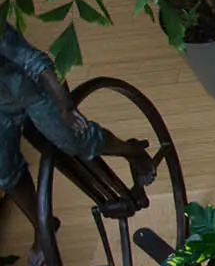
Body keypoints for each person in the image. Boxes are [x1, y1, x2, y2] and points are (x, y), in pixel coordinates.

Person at [1, 23, 152, 194]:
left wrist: (65, 107)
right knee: (3, 168)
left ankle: (131, 150)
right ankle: (42, 221)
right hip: (3, 107)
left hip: (35, 92)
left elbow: (33, 61)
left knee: (74, 138)